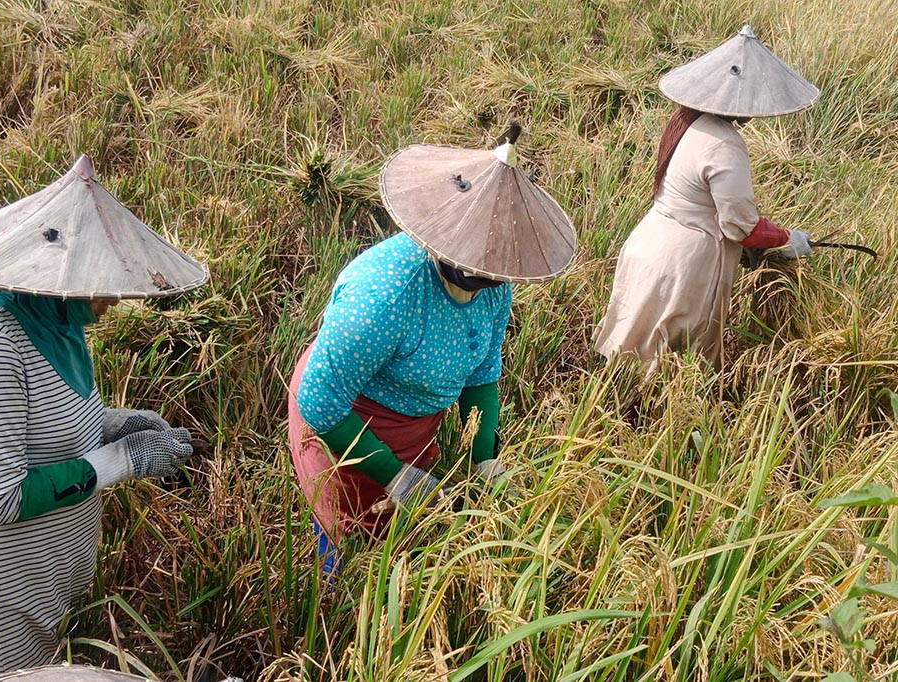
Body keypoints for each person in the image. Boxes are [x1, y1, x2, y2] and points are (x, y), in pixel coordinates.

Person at [0, 155, 210, 681]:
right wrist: (121, 459)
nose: (116, 297)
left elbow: (58, 420)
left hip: (44, 575)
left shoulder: (61, 327)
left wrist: (116, 422)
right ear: (58, 279)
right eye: (102, 282)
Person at [288, 125, 577, 565]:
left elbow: (482, 374)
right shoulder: (384, 296)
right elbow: (321, 401)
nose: (485, 270)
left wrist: (485, 460)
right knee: (344, 524)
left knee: (397, 534)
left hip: (414, 421)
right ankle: (329, 586)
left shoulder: (495, 288)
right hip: (349, 421)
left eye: (494, 264)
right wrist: (393, 475)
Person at [594, 25, 820, 368]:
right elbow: (740, 227)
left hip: (649, 244)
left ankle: (611, 412)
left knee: (627, 355)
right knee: (673, 367)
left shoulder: (685, 120)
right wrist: (788, 240)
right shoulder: (724, 144)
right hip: (684, 266)